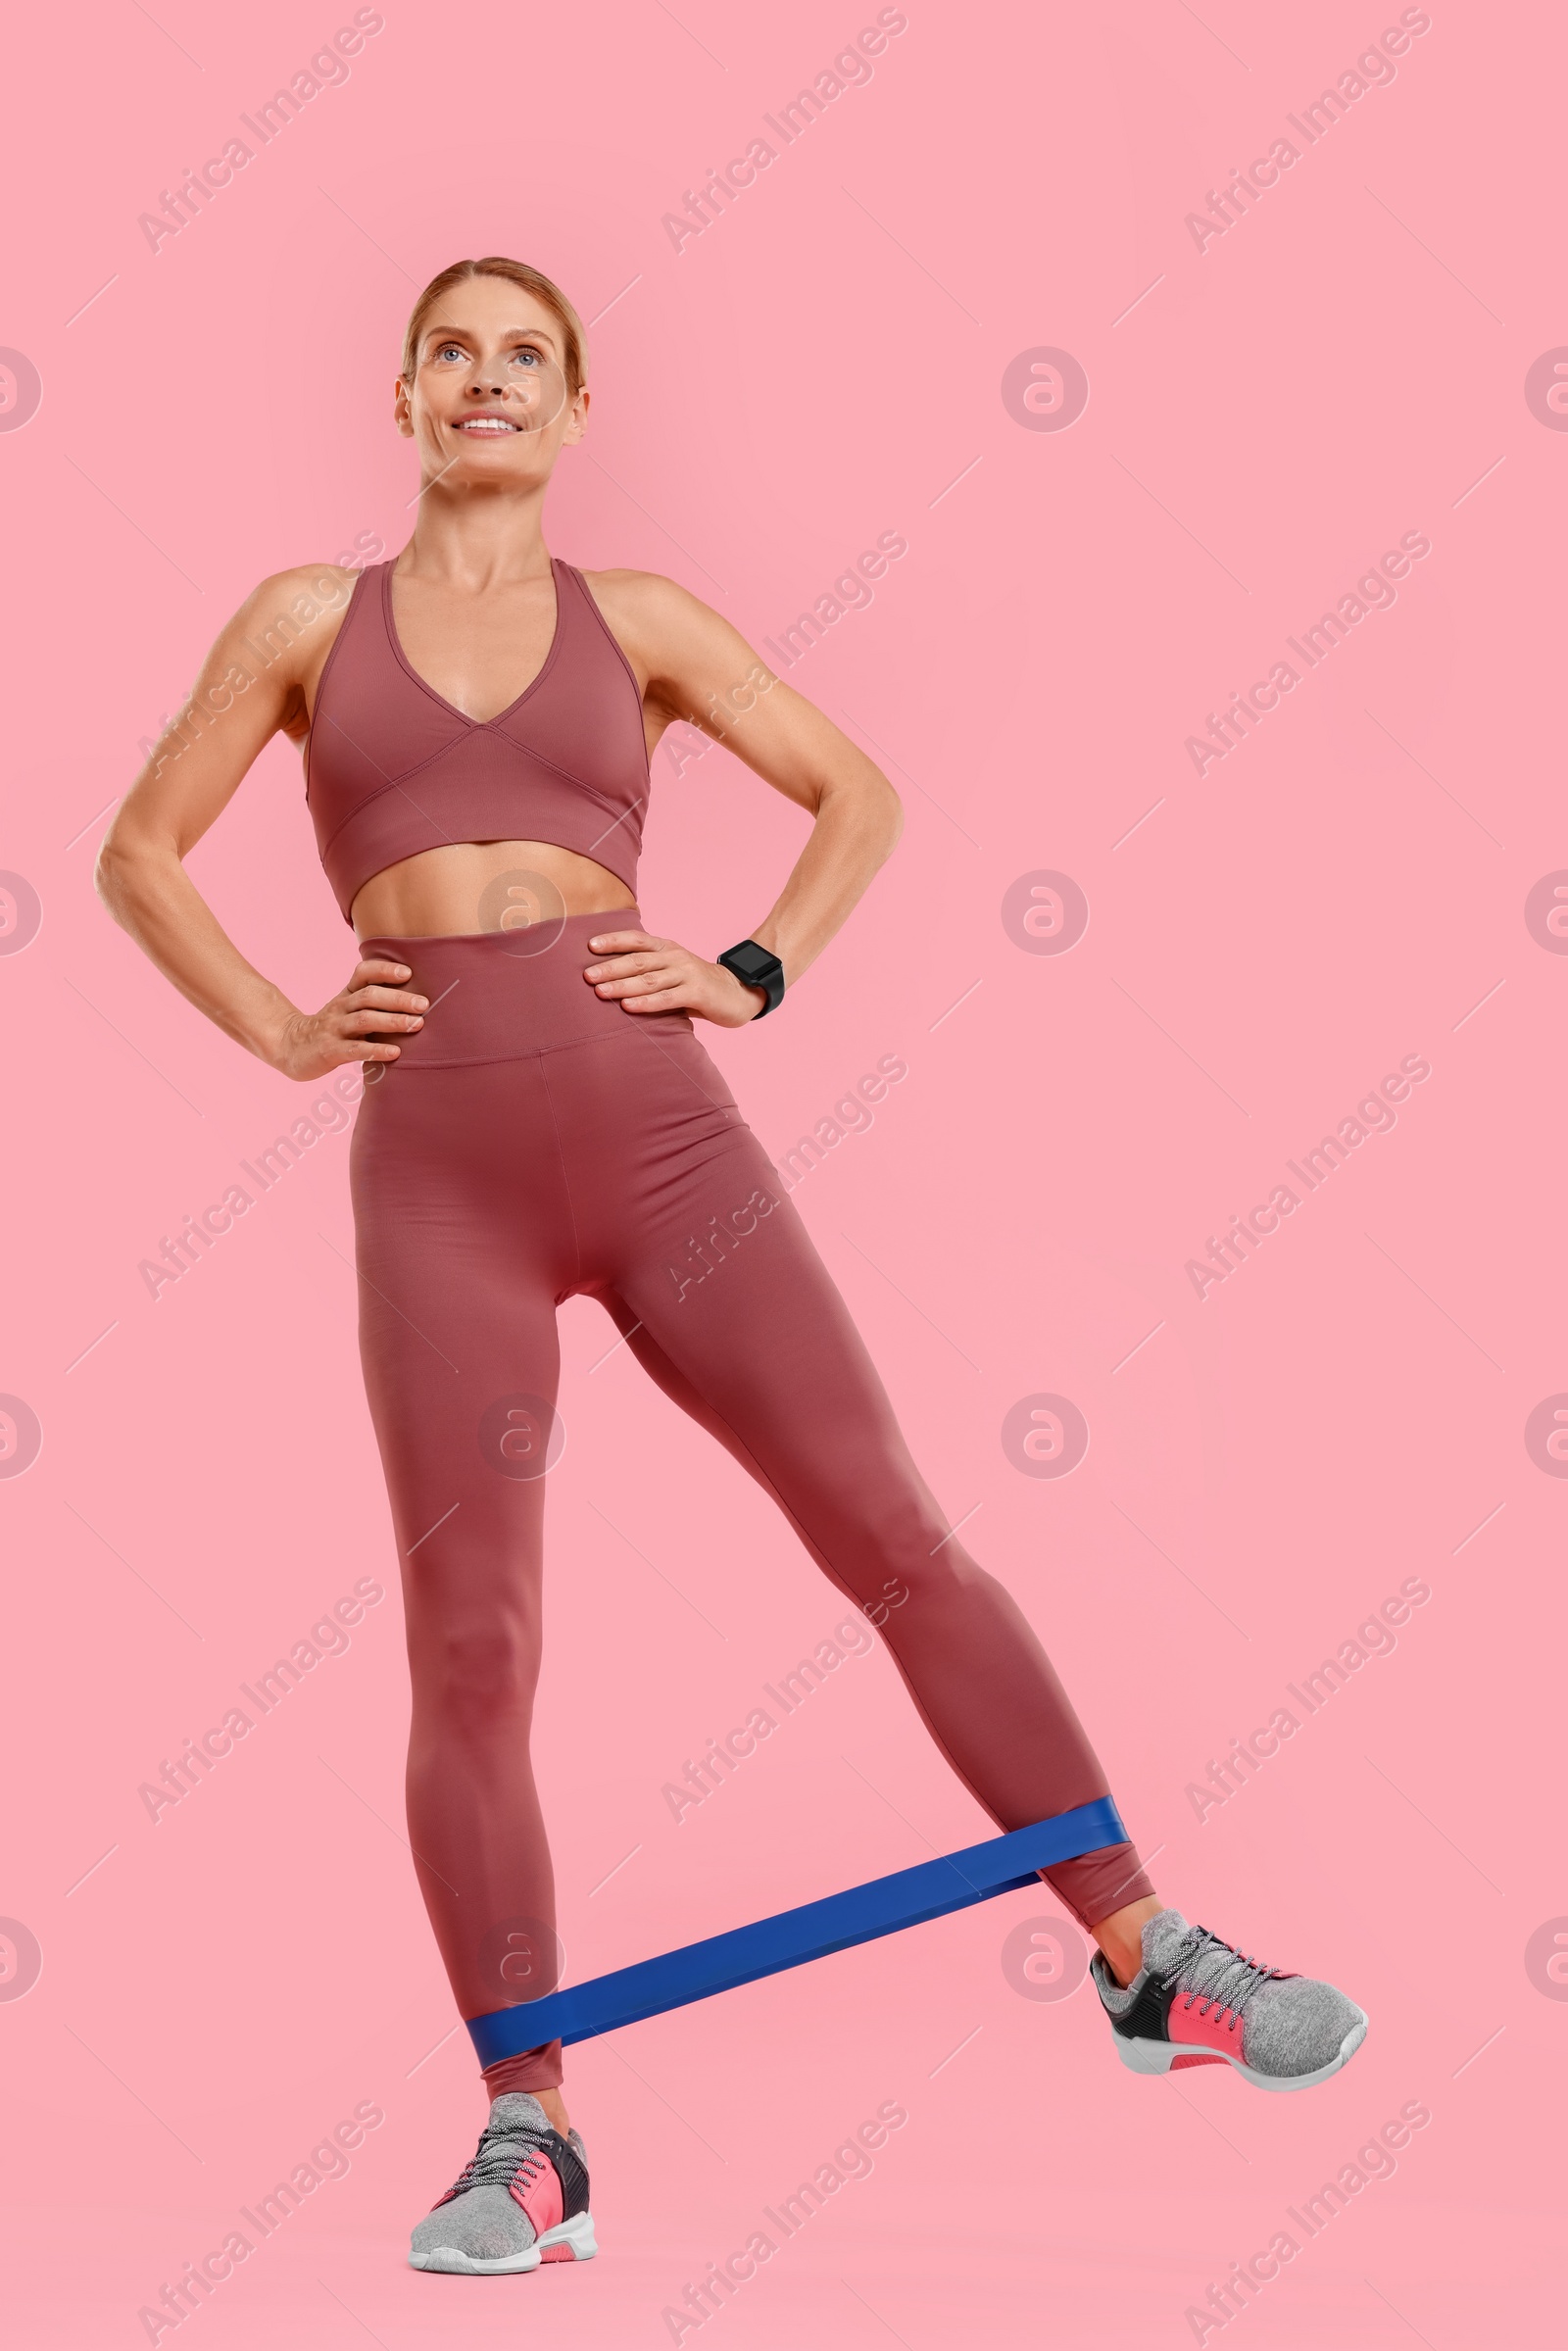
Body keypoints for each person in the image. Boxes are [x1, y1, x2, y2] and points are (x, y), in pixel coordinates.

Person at [96, 256, 1366, 2279]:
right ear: (405, 397)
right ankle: (531, 2132)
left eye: (525, 356)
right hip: (437, 1181)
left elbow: (856, 792)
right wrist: (272, 1021)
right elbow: (135, 849)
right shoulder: (298, 624)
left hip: (665, 1139)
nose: (486, 380)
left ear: (574, 407)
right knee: (474, 1650)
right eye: (454, 353)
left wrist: (754, 965)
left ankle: (1146, 1951)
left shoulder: (650, 626)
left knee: (892, 1533)